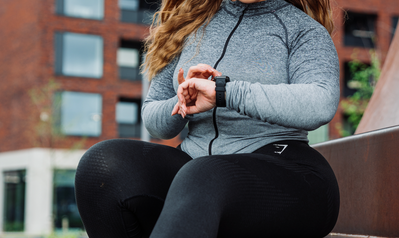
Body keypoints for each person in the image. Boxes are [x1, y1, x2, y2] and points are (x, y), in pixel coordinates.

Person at [75, 0, 340, 237]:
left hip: (288, 172)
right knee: (102, 165)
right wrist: (182, 102)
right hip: (197, 169)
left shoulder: (302, 30)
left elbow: (320, 102)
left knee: (204, 175)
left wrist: (224, 92)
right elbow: (153, 119)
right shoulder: (188, 25)